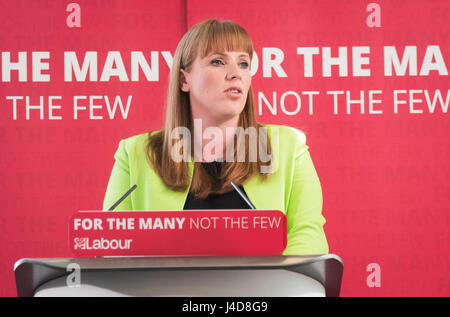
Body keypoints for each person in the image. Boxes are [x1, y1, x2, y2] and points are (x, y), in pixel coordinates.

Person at [102, 19, 328, 255]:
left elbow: (308, 238)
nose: (235, 74)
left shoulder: (289, 146)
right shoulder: (135, 153)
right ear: (184, 80)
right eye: (218, 61)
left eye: (243, 63)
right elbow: (113, 247)